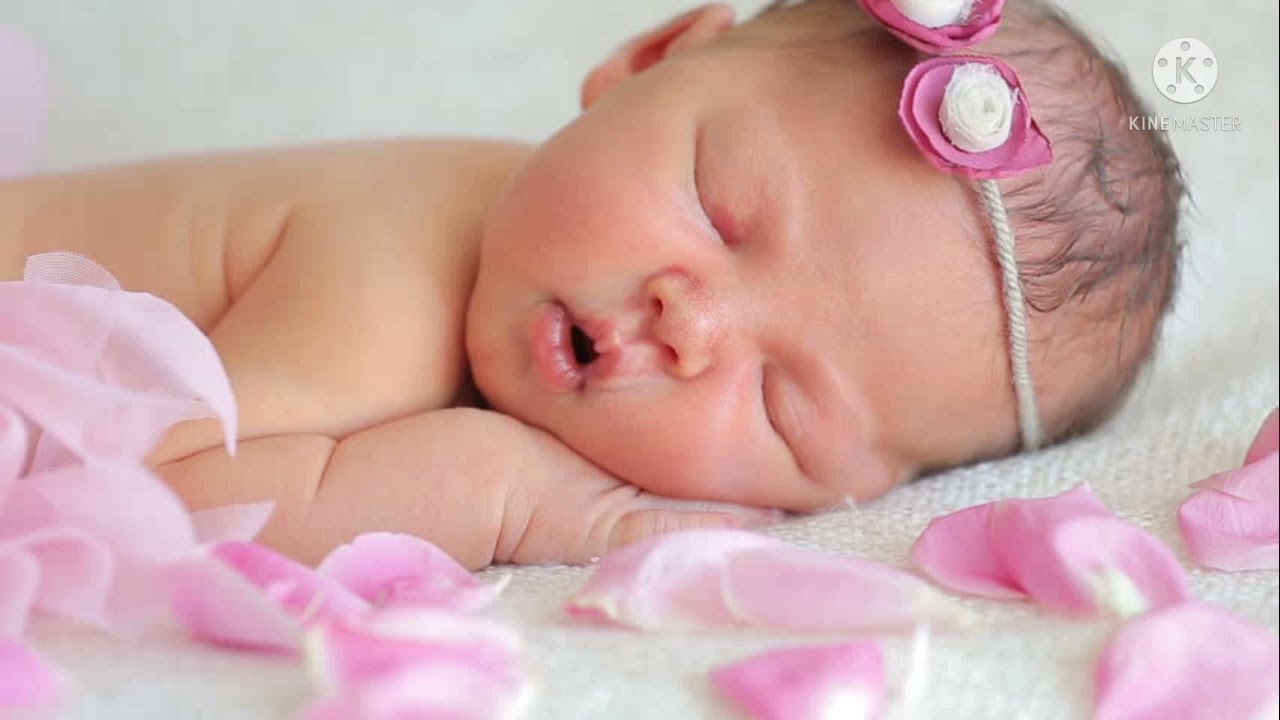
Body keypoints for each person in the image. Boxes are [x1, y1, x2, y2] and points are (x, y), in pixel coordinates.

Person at [0, 0, 1184, 568]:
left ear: (836, 495)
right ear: (649, 60)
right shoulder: (396, 274)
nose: (690, 323)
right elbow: (138, 501)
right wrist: (504, 498)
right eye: (717, 208)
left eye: (781, 403)